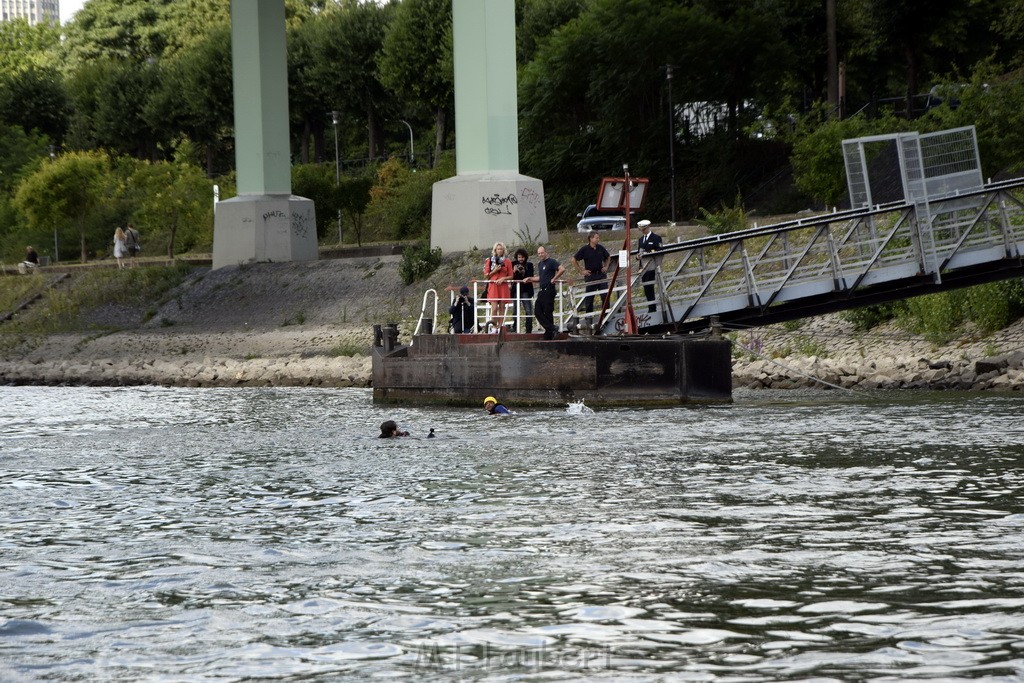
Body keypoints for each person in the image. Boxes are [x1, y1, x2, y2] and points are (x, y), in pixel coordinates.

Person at [573, 231, 611, 318]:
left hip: (601, 275)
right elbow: (574, 260)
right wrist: (581, 271)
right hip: (591, 276)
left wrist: (606, 266)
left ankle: (606, 315)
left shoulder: (600, 248)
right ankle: (588, 317)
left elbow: (608, 257)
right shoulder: (584, 249)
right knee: (589, 298)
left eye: (598, 238)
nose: (598, 239)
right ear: (591, 239)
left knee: (605, 296)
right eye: (596, 238)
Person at [531, 245, 565, 340]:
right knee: (537, 311)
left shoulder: (552, 262)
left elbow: (562, 269)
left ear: (546, 252)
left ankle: (549, 335)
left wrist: (554, 278)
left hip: (549, 290)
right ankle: (552, 328)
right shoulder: (540, 264)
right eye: (539, 253)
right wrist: (530, 278)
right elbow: (541, 277)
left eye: (542, 252)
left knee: (548, 312)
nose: (541, 254)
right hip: (542, 290)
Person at [483, 242, 513, 330]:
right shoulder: (490, 260)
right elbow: (486, 275)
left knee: (502, 307)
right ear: (495, 250)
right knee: (494, 308)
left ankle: (500, 326)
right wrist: (495, 271)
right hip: (493, 286)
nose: (500, 250)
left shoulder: (507, 261)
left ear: (504, 250)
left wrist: (503, 278)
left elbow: (511, 275)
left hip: (503, 286)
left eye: (501, 249)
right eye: (498, 249)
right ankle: (494, 326)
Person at [636, 219, 663, 312]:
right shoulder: (640, 240)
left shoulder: (656, 238)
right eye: (641, 230)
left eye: (644, 229)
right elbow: (639, 252)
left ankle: (652, 308)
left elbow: (660, 251)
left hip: (652, 266)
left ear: (648, 227)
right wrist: (638, 259)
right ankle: (650, 306)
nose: (642, 231)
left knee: (650, 286)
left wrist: (649, 253)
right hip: (643, 267)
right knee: (646, 287)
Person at [510, 248, 535, 333]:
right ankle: (515, 327)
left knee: (528, 310)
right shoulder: (513, 264)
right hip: (516, 290)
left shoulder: (529, 265)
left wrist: (524, 272)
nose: (521, 259)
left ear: (525, 257)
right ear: (516, 257)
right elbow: (510, 276)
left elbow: (531, 276)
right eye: (519, 257)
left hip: (526, 290)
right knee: (515, 309)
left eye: (522, 257)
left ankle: (528, 329)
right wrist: (514, 271)